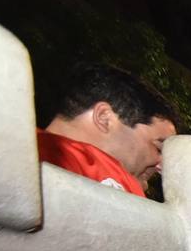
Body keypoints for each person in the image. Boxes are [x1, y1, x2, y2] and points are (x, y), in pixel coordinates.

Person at [37, 63, 178, 197]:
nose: (161, 166)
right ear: (104, 118)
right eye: (158, 148)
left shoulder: (25, 146)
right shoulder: (97, 173)